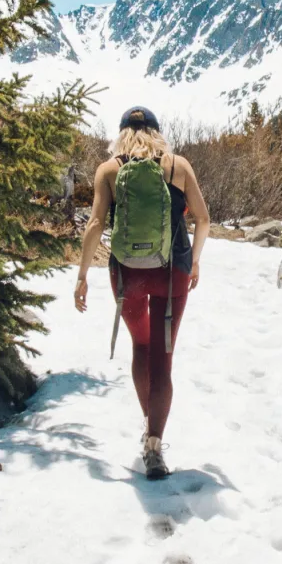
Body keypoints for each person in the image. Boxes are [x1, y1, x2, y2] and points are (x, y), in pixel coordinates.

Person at [74, 106, 210, 479]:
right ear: (157, 132)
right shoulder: (176, 166)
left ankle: (147, 420)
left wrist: (82, 276)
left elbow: (96, 224)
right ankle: (154, 443)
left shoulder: (109, 170)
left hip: (127, 275)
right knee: (163, 356)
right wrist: (194, 260)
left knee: (141, 346)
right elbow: (203, 218)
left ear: (121, 134)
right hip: (173, 274)